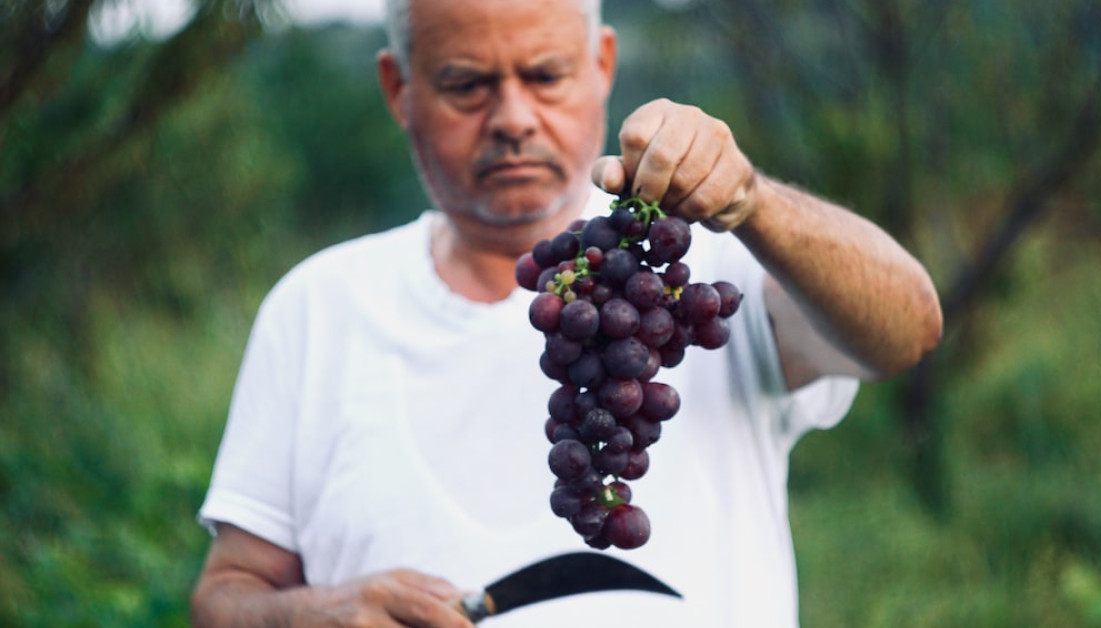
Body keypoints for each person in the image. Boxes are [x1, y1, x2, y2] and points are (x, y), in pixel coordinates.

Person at [189, 0, 943, 626]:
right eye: (466, 84)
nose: (512, 116)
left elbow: (909, 328)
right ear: (399, 89)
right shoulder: (317, 308)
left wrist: (755, 201)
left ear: (603, 65)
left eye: (544, 75)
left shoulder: (710, 268)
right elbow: (226, 596)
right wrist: (310, 613)